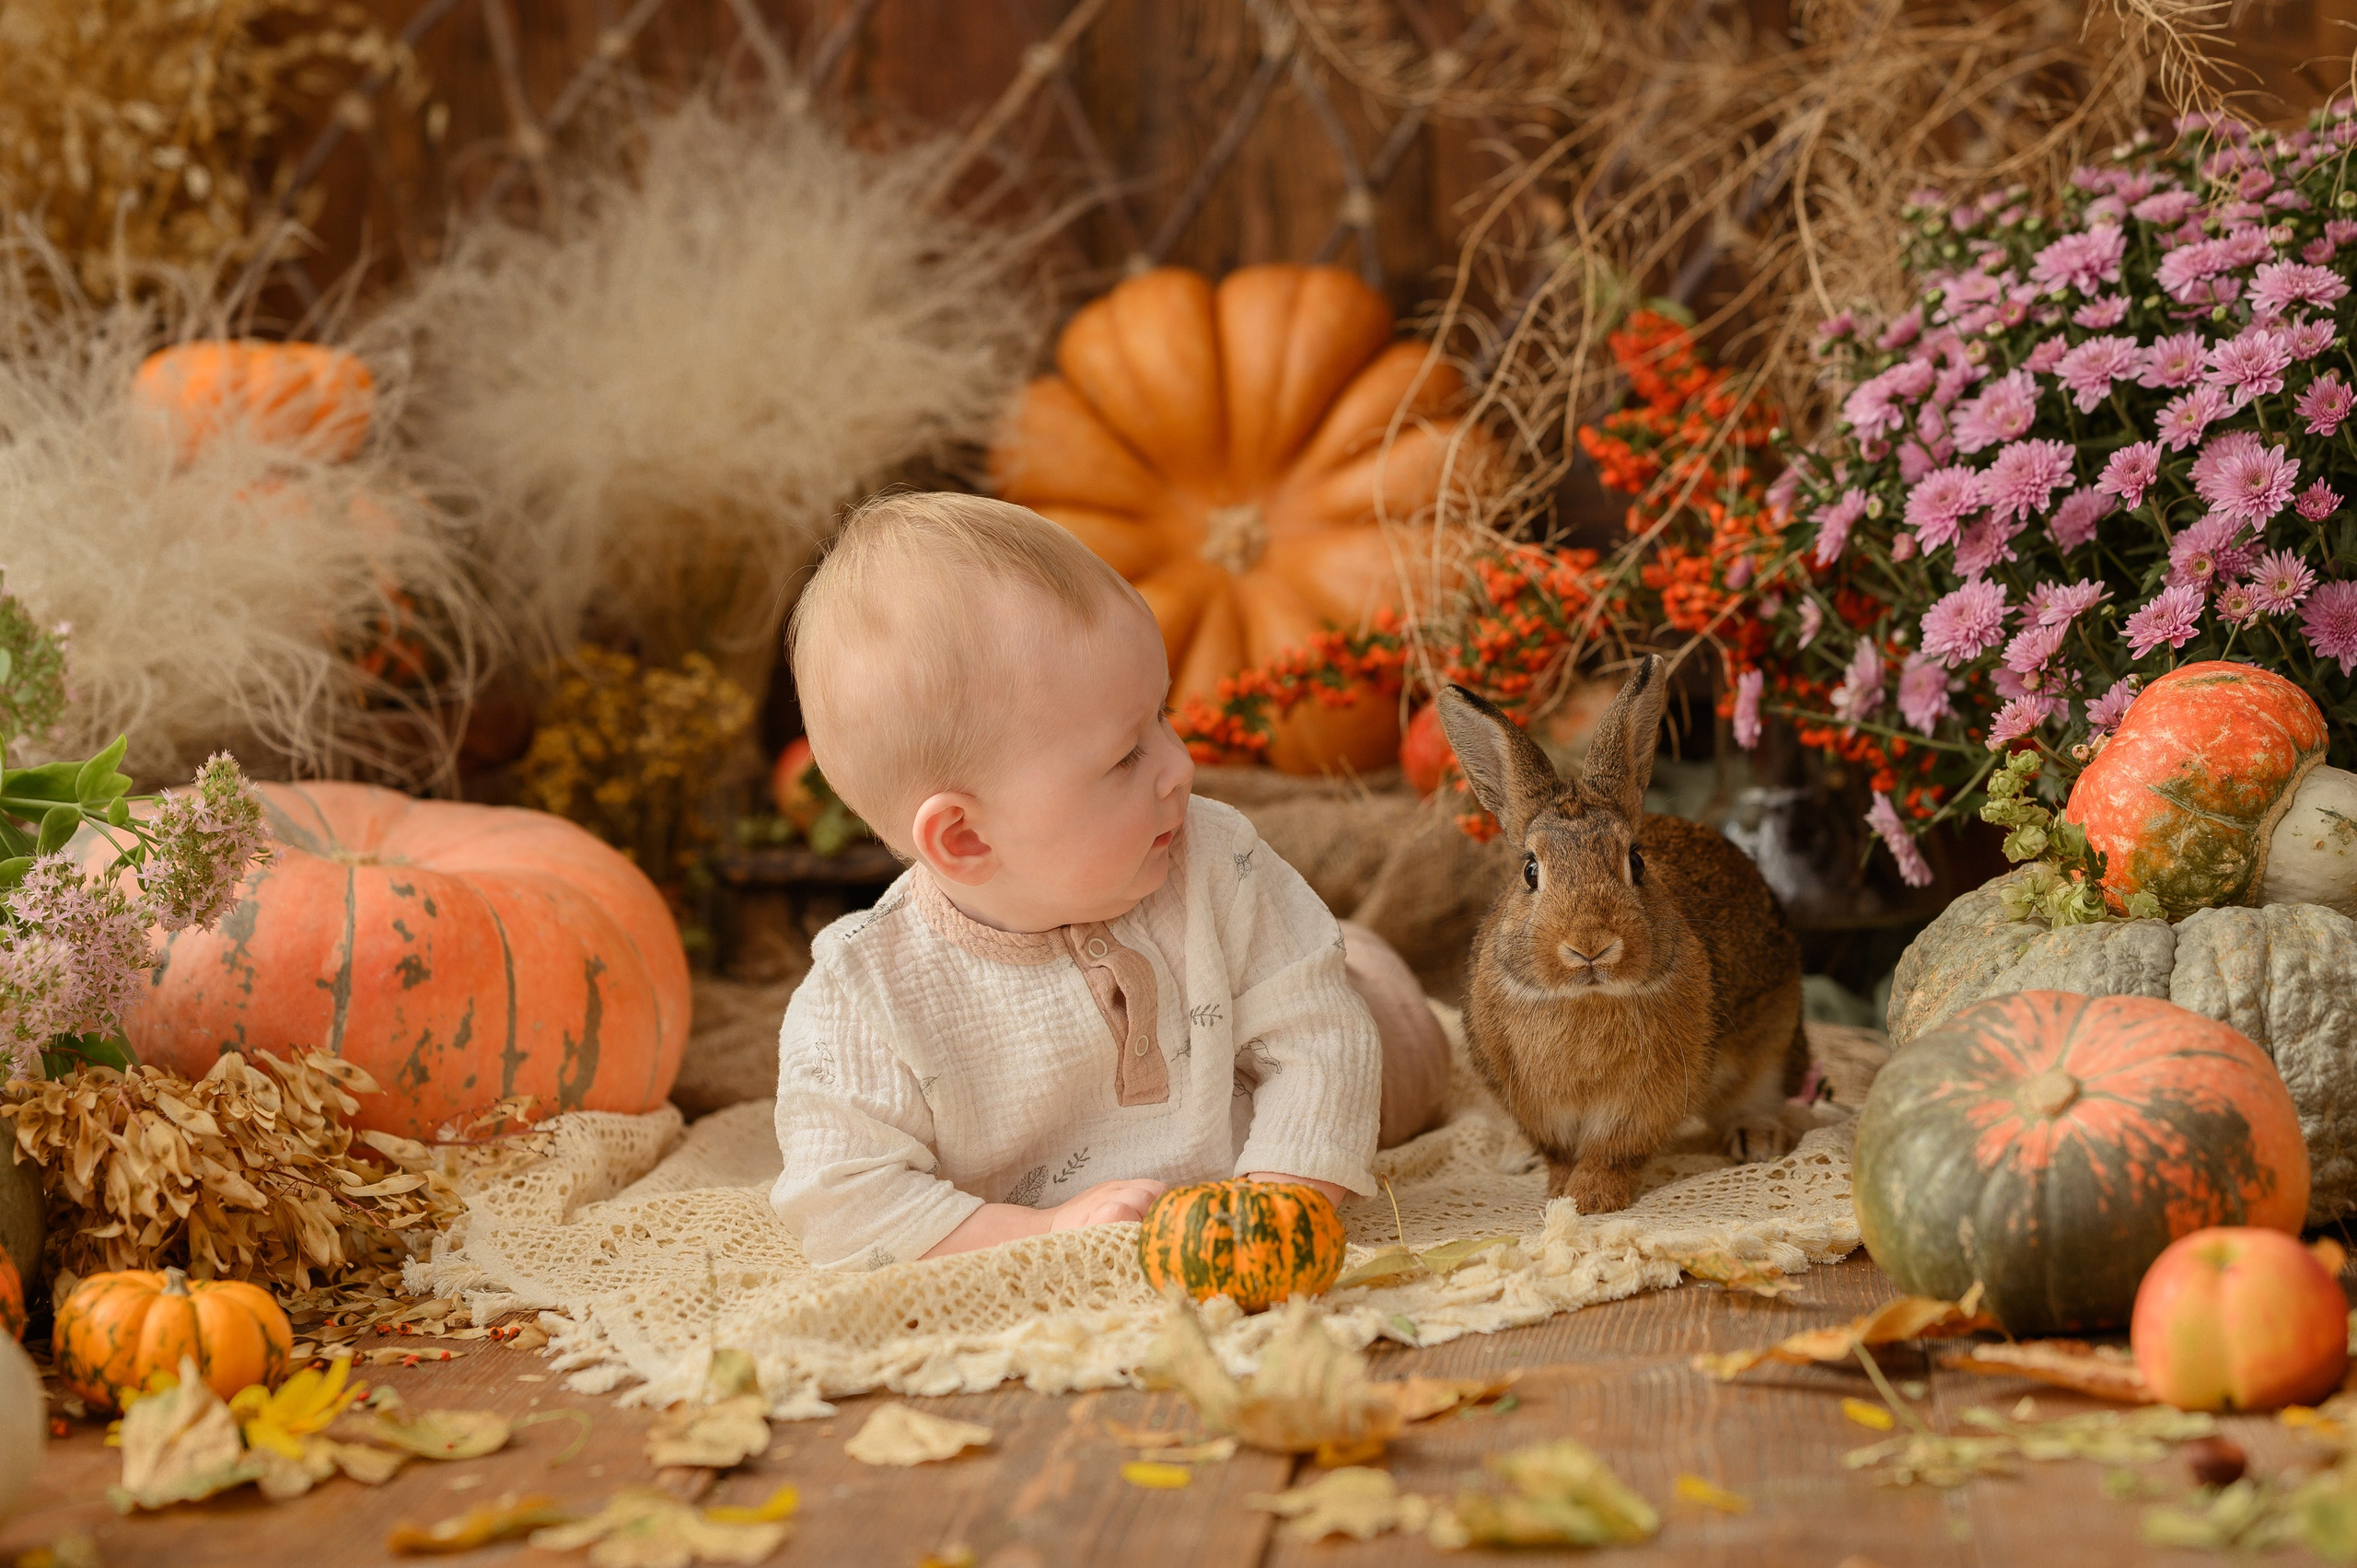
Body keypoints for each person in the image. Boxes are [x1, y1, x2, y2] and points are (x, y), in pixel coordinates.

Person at [772, 490, 1445, 1271]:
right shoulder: (865, 997)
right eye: (1127, 756)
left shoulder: (1213, 856)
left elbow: (1319, 1039)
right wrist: (1046, 1229)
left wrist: (1279, 1200)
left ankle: (1353, 954)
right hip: (1096, 1178)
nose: (1179, 766)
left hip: (1323, 1049)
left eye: (1164, 716)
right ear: (964, 837)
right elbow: (842, 1204)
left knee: (1374, 1022)